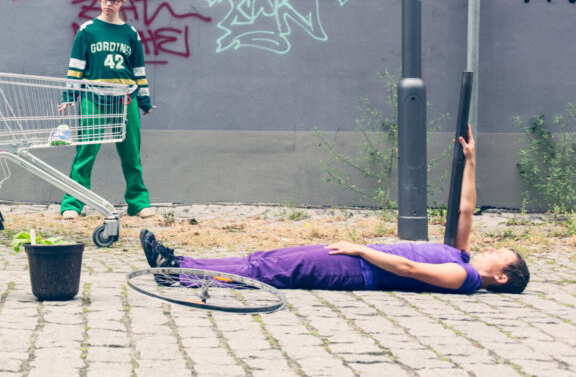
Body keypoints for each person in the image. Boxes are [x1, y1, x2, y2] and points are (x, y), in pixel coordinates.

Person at [140, 126, 529, 294]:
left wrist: (361, 250)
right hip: (356, 260)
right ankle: (178, 263)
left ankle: (179, 276)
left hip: (356, 268)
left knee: (270, 271)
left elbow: (410, 269)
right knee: (263, 259)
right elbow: (465, 211)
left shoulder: (464, 276)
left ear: (499, 278)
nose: (492, 249)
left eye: (500, 256)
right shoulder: (462, 256)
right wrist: (471, 162)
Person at [59, 0, 157, 220]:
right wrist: (70, 95)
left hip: (126, 100)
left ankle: (138, 203)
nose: (108, 4)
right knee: (85, 153)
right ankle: (73, 204)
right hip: (94, 98)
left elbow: (139, 70)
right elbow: (76, 66)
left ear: (122, 2)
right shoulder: (87, 30)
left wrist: (144, 101)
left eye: (113, 0)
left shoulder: (131, 34)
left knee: (131, 154)